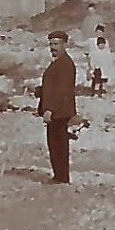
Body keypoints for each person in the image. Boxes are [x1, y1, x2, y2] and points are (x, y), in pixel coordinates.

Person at [37, 30, 77, 184]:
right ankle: (59, 176)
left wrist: (50, 109)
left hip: (60, 112)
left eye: (56, 44)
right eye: (51, 44)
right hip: (57, 111)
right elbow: (54, 86)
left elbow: (62, 89)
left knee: (58, 146)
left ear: (65, 44)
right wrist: (40, 91)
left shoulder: (65, 63)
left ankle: (62, 178)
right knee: (55, 145)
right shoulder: (59, 62)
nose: (53, 47)